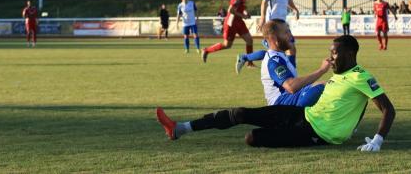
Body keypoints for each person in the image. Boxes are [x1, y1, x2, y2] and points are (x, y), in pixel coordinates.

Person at [156, 35, 396, 151]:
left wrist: (378, 139)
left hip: (317, 133)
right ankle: (181, 128)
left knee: (253, 138)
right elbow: (355, 103)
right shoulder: (340, 74)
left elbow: (387, 108)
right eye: (330, 52)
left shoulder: (361, 76)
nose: (330, 56)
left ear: (350, 54)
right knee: (240, 112)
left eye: (335, 53)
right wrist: (352, 125)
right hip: (303, 114)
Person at [236, 0, 300, 73]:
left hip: (282, 22)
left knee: (291, 47)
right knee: (276, 51)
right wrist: (262, 19)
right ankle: (245, 57)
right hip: (273, 23)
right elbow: (264, 2)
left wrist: (294, 8)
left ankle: (292, 73)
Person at [259, 19, 326, 106]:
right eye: (286, 32)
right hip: (281, 103)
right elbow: (291, 86)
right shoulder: (274, 60)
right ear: (274, 38)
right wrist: (321, 70)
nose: (290, 36)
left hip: (288, 99)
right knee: (323, 86)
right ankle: (298, 117)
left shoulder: (280, 55)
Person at [201, 0, 254, 64]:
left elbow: (242, 7)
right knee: (227, 45)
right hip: (231, 23)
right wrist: (243, 16)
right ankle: (206, 50)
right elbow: (231, 10)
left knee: (249, 40)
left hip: (239, 22)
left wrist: (246, 12)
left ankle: (250, 63)